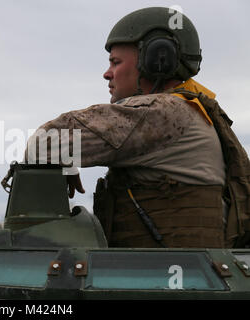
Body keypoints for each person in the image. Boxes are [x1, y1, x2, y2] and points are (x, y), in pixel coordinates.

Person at [24, 7, 250, 248]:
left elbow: (43, 142)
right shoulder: (192, 111)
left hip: (164, 277)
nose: (107, 74)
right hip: (187, 274)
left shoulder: (161, 113)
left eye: (115, 62)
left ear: (156, 60)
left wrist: (64, 161)